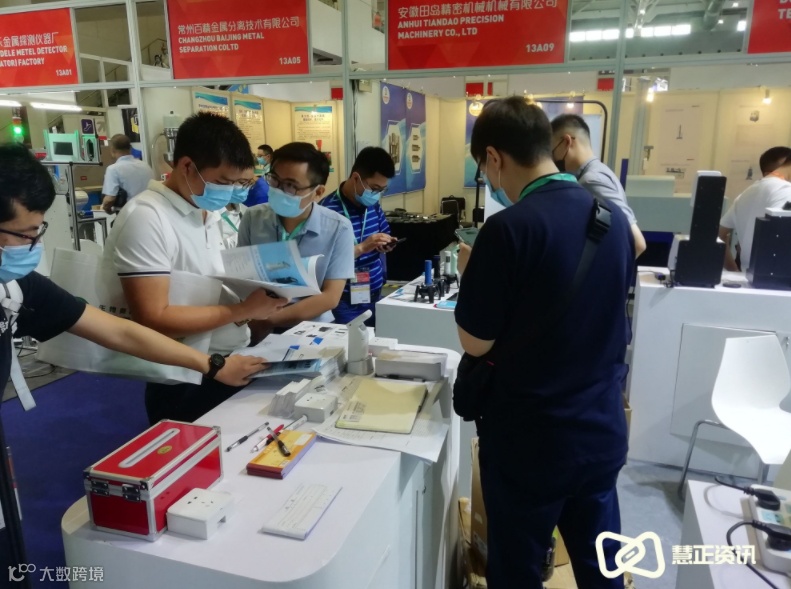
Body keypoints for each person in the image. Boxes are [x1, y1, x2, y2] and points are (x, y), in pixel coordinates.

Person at [0, 142, 269, 574]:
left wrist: (212, 365)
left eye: (38, 231)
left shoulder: (18, 286)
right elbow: (150, 316)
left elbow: (120, 330)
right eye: (24, 235)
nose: (32, 246)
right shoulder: (147, 214)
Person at [455, 97, 634, 589]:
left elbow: (475, 343)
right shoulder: (612, 219)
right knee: (603, 566)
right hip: (599, 430)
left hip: (529, 441)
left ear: (494, 158)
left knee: (517, 570)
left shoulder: (508, 229)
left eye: (484, 169)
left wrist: (471, 277)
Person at [102, 113, 287, 425]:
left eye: (238, 183)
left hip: (226, 361)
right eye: (223, 182)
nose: (229, 192)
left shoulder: (206, 212)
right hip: (184, 376)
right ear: (187, 166)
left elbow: (207, 288)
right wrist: (243, 309)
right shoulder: (147, 217)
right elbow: (153, 319)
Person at [237, 142, 354, 339]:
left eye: (291, 186)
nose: (279, 190)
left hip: (311, 330)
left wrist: (269, 319)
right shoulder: (252, 218)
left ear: (318, 192)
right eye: (275, 180)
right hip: (255, 328)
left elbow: (330, 297)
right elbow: (242, 279)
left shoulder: (338, 228)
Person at [551, 114, 646, 257]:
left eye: (552, 152)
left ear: (567, 142)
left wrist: (603, 270)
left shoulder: (592, 181)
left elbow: (636, 243)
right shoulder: (598, 172)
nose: (552, 159)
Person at [320, 147, 396, 326]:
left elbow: (384, 232)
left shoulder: (373, 205)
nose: (376, 195)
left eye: (382, 190)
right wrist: (361, 248)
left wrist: (385, 243)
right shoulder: (327, 211)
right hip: (343, 301)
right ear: (356, 178)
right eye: (374, 188)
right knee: (352, 343)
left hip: (375, 294)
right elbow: (322, 262)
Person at [719, 146, 791, 271]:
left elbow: (719, 235)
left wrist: (734, 271)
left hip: (752, 276)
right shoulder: (785, 191)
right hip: (778, 277)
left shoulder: (746, 193)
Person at [101, 134, 154, 214]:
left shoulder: (113, 169)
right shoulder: (145, 166)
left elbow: (110, 199)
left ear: (112, 150)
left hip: (129, 214)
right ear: (130, 148)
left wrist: (106, 208)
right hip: (150, 211)